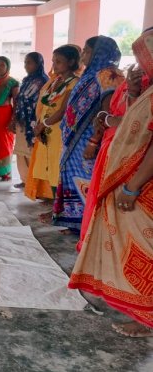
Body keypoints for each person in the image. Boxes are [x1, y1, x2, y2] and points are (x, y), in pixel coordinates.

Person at [68, 27, 153, 338]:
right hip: (132, 170)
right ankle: (142, 310)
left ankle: (147, 316)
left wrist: (132, 186)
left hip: (142, 180)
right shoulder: (146, 90)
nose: (142, 65)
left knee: (144, 244)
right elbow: (134, 122)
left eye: (146, 58)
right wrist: (132, 93)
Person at [53, 36, 124, 232]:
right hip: (74, 141)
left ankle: (90, 227)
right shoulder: (90, 75)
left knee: (88, 180)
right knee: (74, 176)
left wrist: (94, 141)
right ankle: (76, 221)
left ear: (98, 53)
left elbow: (108, 111)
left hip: (89, 141)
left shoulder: (108, 76)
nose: (82, 55)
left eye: (87, 50)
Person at [78, 65, 149, 246]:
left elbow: (134, 123)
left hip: (134, 158)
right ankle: (100, 247)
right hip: (113, 149)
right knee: (106, 204)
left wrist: (107, 119)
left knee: (128, 216)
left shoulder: (143, 83)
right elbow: (120, 113)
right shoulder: (132, 78)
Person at [25, 45, 81, 205]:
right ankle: (56, 207)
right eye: (53, 61)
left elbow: (63, 110)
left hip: (59, 131)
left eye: (59, 62)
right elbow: (44, 104)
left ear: (71, 62)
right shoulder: (54, 81)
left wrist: (42, 125)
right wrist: (39, 126)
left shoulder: (74, 83)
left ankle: (59, 209)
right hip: (45, 130)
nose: (54, 65)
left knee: (57, 169)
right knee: (48, 167)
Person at [13, 52, 49, 188]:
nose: (26, 66)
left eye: (29, 62)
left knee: (31, 151)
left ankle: (33, 182)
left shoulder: (43, 81)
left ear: (38, 64)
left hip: (33, 122)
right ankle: (25, 179)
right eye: (25, 63)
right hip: (22, 121)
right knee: (21, 151)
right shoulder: (27, 80)